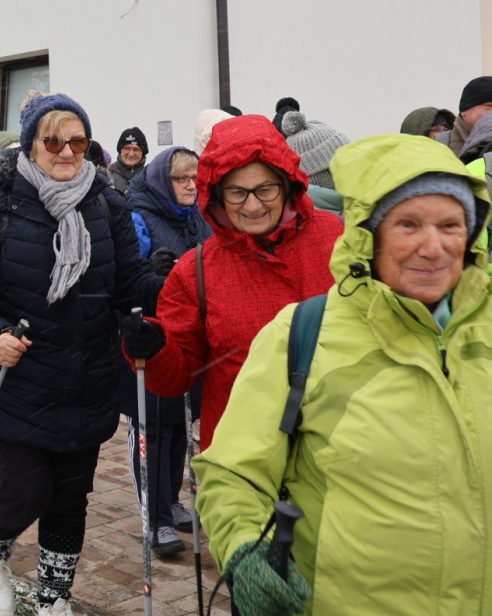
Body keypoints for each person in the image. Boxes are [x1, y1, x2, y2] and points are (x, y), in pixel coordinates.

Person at [194, 134, 492, 615]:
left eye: (451, 224)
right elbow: (233, 474)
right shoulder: (301, 333)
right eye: (408, 224)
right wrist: (246, 550)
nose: (433, 247)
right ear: (369, 236)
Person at [0, 93, 163, 616]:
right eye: (53, 141)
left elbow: (130, 284)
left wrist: (157, 302)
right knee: (26, 488)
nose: (66, 152)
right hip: (15, 380)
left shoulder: (107, 203)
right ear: (31, 145)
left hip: (85, 380)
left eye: (78, 141)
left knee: (69, 498)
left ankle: (53, 598)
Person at [121, 114, 345, 452]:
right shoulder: (197, 270)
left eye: (265, 189)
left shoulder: (337, 239)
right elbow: (175, 377)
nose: (253, 205)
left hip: (340, 446)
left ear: (287, 184)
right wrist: (154, 349)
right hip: (242, 458)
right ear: (217, 195)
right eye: (238, 193)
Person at [121, 147, 211, 557]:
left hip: (188, 337)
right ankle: (153, 518)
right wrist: (153, 272)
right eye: (181, 179)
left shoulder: (198, 217)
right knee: (152, 429)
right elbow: (125, 279)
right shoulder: (138, 216)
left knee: (178, 426)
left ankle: (171, 501)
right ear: (163, 182)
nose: (191, 185)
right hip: (150, 340)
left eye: (195, 178)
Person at [108, 127, 148, 194]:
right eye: (127, 148)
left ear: (142, 153)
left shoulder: (150, 178)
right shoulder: (107, 177)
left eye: (136, 149)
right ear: (120, 151)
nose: (131, 154)